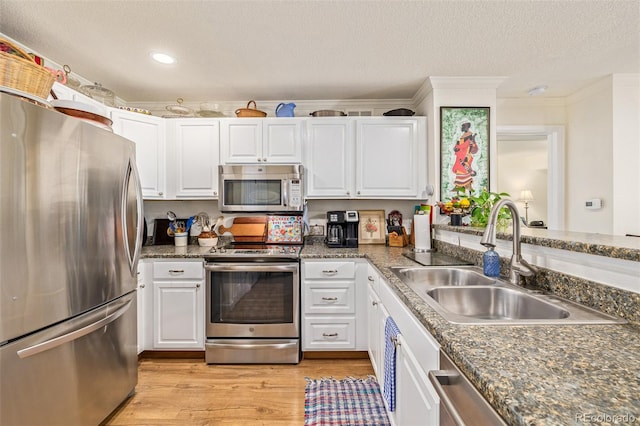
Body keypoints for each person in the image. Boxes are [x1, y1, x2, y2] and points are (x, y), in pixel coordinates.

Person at [451, 119, 479, 190]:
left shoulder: (469, 135)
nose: (462, 127)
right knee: (458, 169)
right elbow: (459, 145)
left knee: (464, 169)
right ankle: (458, 188)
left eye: (463, 126)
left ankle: (467, 187)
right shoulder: (462, 135)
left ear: (467, 126)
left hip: (465, 155)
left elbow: (467, 145)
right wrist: (456, 148)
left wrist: (458, 146)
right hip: (460, 155)